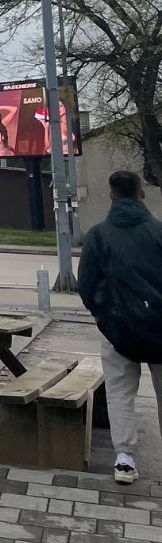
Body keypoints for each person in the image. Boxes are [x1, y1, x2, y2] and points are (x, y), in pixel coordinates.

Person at [76, 169, 162, 484]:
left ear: (112, 195)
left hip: (117, 330)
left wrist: (103, 317)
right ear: (141, 193)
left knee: (120, 392)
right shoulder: (159, 232)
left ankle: (124, 459)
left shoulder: (98, 235)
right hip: (160, 328)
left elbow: (85, 285)